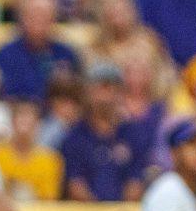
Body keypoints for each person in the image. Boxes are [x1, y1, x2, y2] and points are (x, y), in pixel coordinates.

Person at [60, 61, 148, 201]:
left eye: (110, 87)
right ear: (87, 92)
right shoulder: (74, 137)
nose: (105, 95)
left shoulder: (133, 134)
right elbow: (75, 185)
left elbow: (136, 182)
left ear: (120, 92)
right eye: (99, 87)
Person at [0, 0, 81, 101]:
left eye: (44, 15)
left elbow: (74, 97)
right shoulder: (5, 54)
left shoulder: (66, 54)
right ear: (22, 18)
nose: (38, 20)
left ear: (54, 19)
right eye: (33, 14)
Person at [0, 98, 63, 200]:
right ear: (12, 123)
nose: (25, 126)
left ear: (37, 125)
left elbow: (49, 198)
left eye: (29, 122)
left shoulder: (50, 160)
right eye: (21, 120)